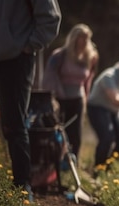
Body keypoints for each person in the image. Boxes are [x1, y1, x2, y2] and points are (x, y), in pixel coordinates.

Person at [0, 0, 61, 200]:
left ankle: (23, 189)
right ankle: (13, 185)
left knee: (14, 126)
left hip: (16, 61)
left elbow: (50, 18)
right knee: (0, 127)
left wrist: (27, 47)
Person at [42, 23, 98, 163]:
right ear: (74, 38)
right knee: (60, 132)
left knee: (76, 133)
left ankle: (73, 163)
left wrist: (86, 97)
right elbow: (50, 75)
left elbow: (88, 80)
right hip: (60, 98)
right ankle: (55, 162)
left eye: (87, 38)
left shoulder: (89, 58)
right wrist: (56, 95)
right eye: (81, 38)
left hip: (77, 99)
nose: (84, 41)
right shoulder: (60, 55)